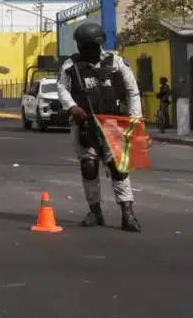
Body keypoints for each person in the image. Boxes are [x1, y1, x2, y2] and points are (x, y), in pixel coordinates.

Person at [57, 21, 141, 233]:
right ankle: (95, 211)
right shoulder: (71, 65)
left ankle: (128, 213)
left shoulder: (116, 62)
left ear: (99, 44)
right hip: (85, 124)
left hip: (113, 123)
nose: (87, 50)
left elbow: (132, 90)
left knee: (118, 169)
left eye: (91, 46)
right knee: (89, 167)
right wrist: (72, 107)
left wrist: (135, 119)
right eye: (83, 46)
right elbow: (62, 88)